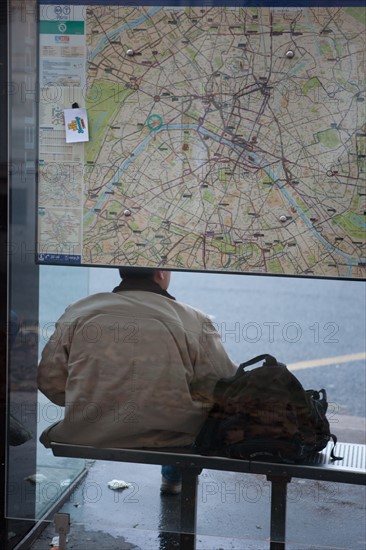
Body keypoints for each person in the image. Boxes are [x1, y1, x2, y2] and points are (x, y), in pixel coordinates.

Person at [38, 268, 237, 494]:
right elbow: (222, 386)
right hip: (173, 438)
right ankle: (173, 478)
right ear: (161, 273)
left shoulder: (79, 311)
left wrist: (88, 399)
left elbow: (49, 382)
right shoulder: (192, 320)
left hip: (85, 432)